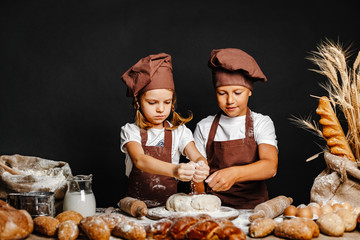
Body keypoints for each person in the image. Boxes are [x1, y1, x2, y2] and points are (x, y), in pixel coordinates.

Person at [120, 53, 209, 207]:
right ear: (138, 102)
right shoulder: (131, 131)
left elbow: (197, 157)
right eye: (152, 102)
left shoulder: (179, 132)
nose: (161, 109)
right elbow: (140, 160)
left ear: (172, 103)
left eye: (167, 102)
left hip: (169, 208)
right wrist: (175, 170)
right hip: (136, 206)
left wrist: (202, 166)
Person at [193, 48, 278, 209]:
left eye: (237, 92)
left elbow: (270, 166)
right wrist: (201, 204)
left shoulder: (261, 123)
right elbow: (198, 175)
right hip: (215, 208)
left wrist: (234, 173)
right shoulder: (204, 126)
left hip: (255, 207)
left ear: (249, 92)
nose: (230, 100)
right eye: (222, 93)